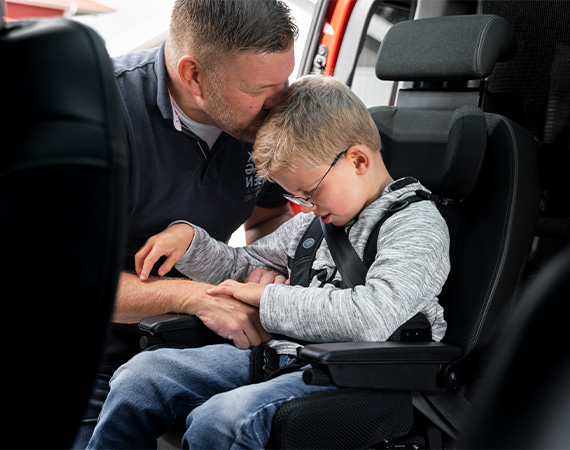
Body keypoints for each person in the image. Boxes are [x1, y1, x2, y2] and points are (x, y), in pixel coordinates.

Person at [86, 75, 451, 449]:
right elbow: (243, 265)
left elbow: (372, 316)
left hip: (358, 373)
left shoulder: (414, 224)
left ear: (358, 160)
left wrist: (266, 300)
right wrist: (191, 242)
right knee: (140, 378)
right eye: (298, 196)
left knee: (221, 419)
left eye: (311, 192)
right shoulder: (315, 223)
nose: (307, 206)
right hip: (286, 356)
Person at [73, 0, 298, 447]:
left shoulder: (261, 126)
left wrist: (267, 268)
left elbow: (268, 216)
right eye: (260, 90)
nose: (279, 105)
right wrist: (192, 296)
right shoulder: (95, 114)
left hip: (198, 344)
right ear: (194, 75)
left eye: (285, 82)